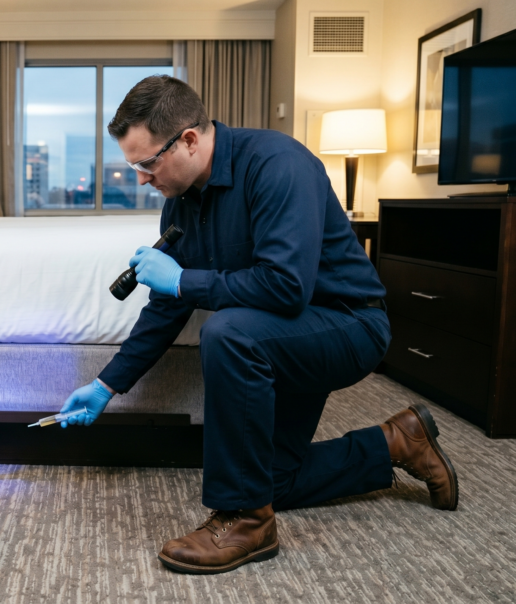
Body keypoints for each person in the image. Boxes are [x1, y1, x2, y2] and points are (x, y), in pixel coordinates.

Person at [58, 75, 458, 575]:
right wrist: (105, 385)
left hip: (349, 324)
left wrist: (182, 280)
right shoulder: (180, 203)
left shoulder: (277, 164)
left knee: (228, 332)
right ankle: (397, 441)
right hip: (280, 336)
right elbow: (167, 307)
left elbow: (286, 287)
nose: (141, 179)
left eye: (147, 163)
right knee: (271, 482)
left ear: (188, 140)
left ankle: (246, 521)